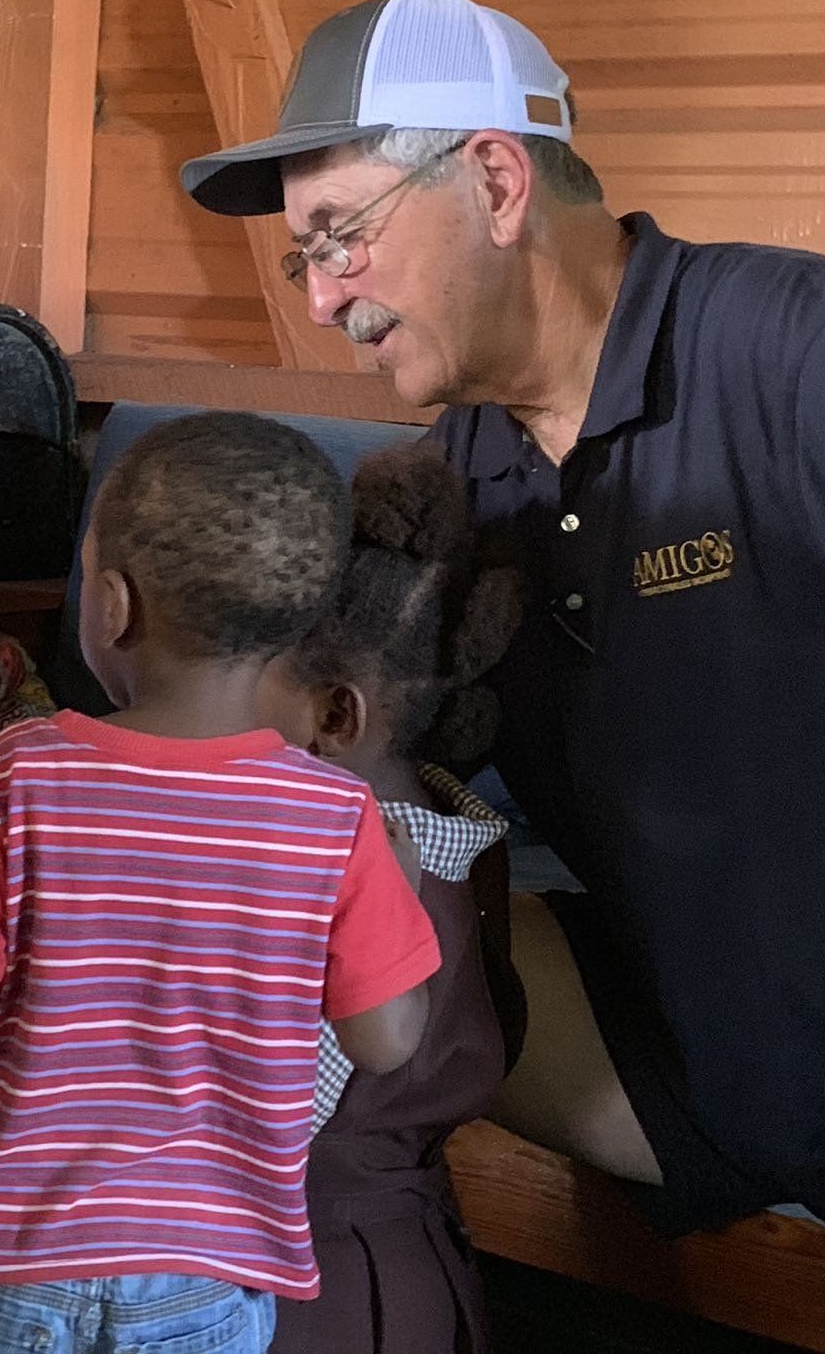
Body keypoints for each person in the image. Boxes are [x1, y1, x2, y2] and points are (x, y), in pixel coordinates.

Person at [179, 0, 825, 1234]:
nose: (321, 299)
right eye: (304, 254)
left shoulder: (790, 352)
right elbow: (310, 774)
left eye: (339, 234)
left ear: (494, 180)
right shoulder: (453, 485)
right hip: (686, 1069)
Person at [0, 411, 441, 1354]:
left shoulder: (21, 773)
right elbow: (386, 1041)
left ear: (111, 605)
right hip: (204, 1281)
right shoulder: (337, 819)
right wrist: (398, 887)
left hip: (1, 1260)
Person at [255, 439, 523, 1354]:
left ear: (336, 716)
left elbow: (258, 1130)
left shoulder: (323, 879)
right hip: (420, 1288)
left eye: (241, 682)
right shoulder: (466, 851)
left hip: (294, 1300)